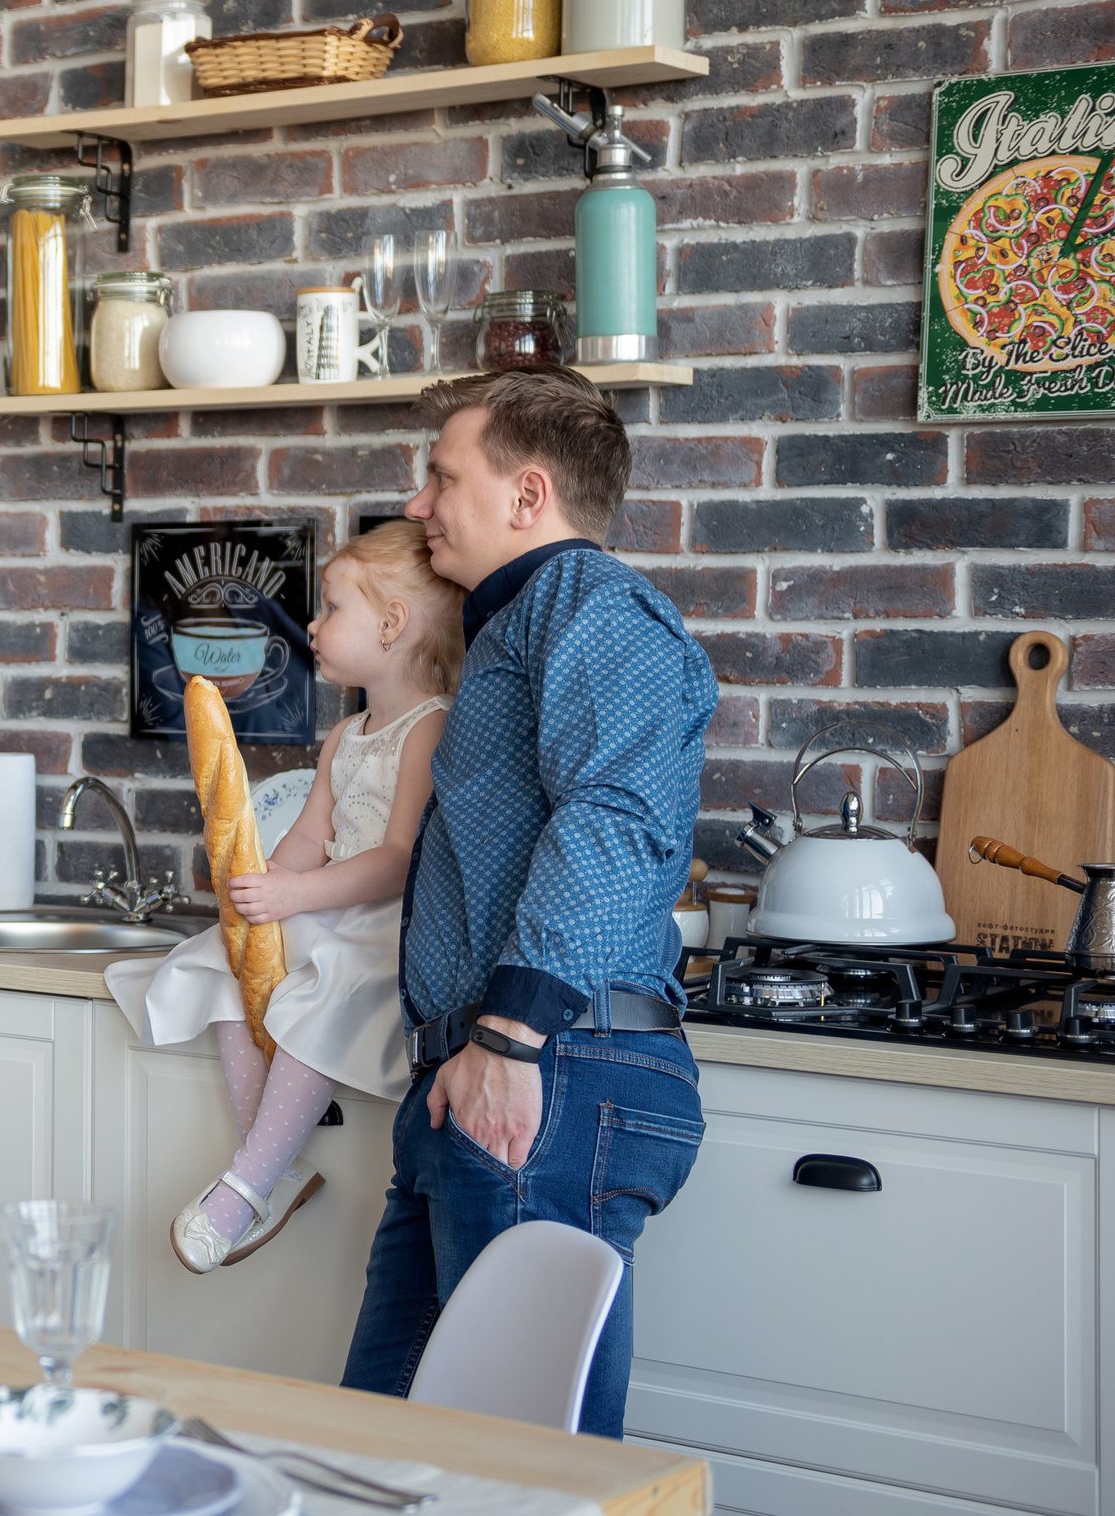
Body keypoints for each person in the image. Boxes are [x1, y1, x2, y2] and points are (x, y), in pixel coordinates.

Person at [340, 365, 716, 1438]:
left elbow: (614, 815)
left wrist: (506, 1034)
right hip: (491, 1072)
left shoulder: (595, 607)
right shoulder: (520, 625)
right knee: (384, 1441)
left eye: (439, 476)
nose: (417, 505)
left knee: (516, 1467)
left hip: (547, 1062)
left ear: (526, 493)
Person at [107, 521, 463, 1274]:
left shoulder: (429, 729)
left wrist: (296, 891)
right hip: (325, 908)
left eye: (332, 607)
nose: (312, 624)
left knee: (320, 992)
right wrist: (257, 881)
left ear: (393, 623)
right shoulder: (345, 735)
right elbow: (308, 836)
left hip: (379, 927)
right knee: (228, 965)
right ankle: (274, 1162)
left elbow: (398, 860)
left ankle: (247, 1182)